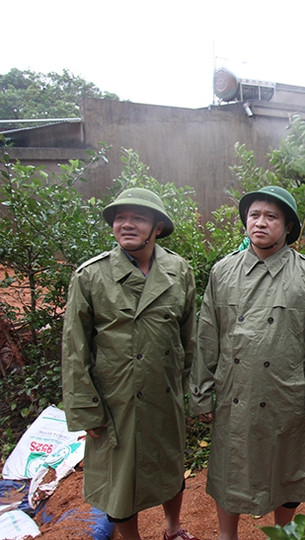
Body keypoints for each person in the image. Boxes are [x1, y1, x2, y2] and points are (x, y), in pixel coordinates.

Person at [191, 186, 305, 540]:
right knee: (230, 470)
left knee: (287, 469)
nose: (260, 223)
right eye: (254, 215)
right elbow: (207, 335)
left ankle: (285, 533)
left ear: (288, 227)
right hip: (235, 390)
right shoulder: (223, 272)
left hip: (285, 391)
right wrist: (201, 391)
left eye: (271, 217)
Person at [62, 188, 198, 540]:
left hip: (163, 393)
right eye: (120, 218)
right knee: (119, 480)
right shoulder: (91, 276)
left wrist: (186, 389)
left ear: (157, 227)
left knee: (170, 466)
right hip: (114, 399)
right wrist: (85, 408)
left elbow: (189, 337)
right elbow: (75, 349)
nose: (126, 225)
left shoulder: (178, 270)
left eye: (137, 218)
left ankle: (173, 528)